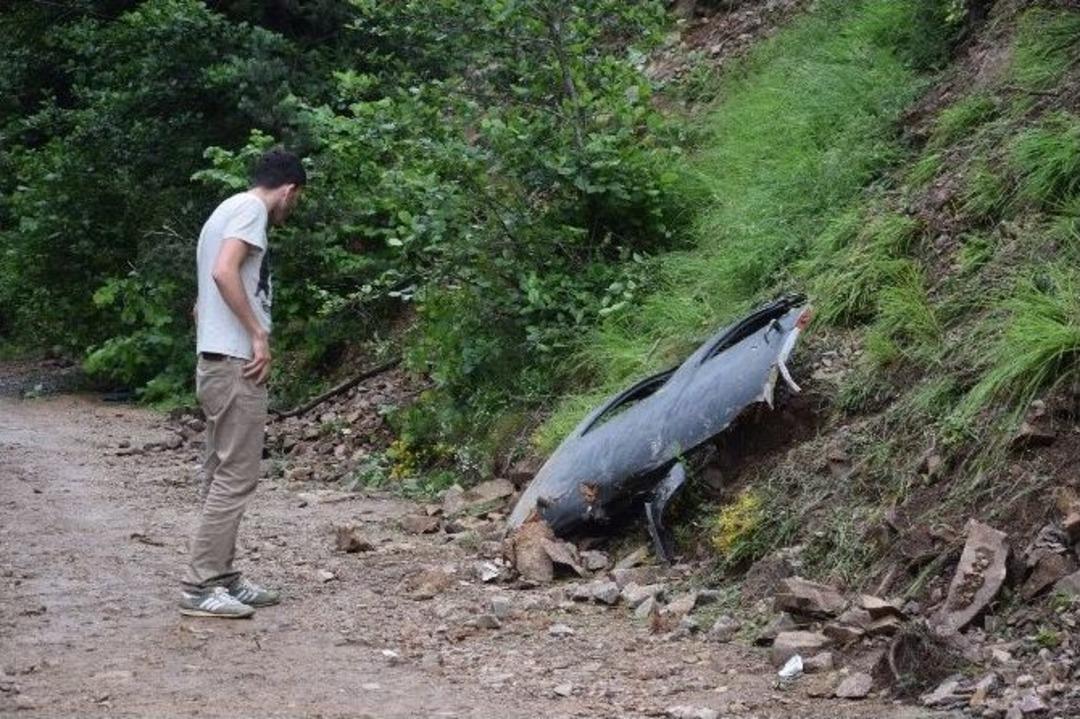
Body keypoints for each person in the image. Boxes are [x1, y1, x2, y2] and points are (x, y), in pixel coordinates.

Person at [180, 149, 305, 618]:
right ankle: (199, 586)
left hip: (215, 361)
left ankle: (223, 577)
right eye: (297, 200)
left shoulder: (225, 209)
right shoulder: (253, 210)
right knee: (236, 476)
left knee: (221, 473)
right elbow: (223, 271)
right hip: (235, 364)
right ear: (289, 189)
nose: (292, 209)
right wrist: (256, 334)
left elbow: (202, 299)